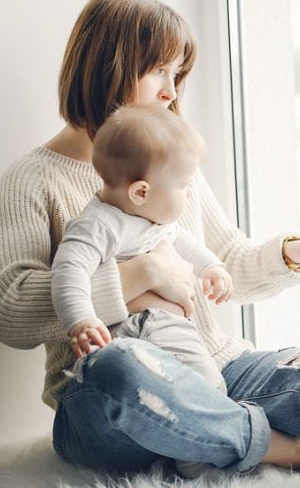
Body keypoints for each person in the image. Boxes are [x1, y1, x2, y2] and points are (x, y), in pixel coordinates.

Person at [0, 0, 300, 487]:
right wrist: (141, 273)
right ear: (109, 66)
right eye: (159, 71)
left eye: (178, 75)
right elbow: (8, 311)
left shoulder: (169, 163)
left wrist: (295, 254)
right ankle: (283, 448)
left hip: (218, 372)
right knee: (123, 369)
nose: (171, 91)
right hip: (103, 396)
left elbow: (226, 264)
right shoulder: (33, 179)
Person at [51, 104, 232, 393]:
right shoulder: (99, 226)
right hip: (142, 327)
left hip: (165, 327)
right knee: (208, 389)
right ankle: (249, 432)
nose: (189, 192)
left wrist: (212, 267)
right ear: (141, 192)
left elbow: (185, 242)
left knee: (196, 392)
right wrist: (81, 321)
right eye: (184, 186)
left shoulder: (148, 218)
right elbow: (68, 273)